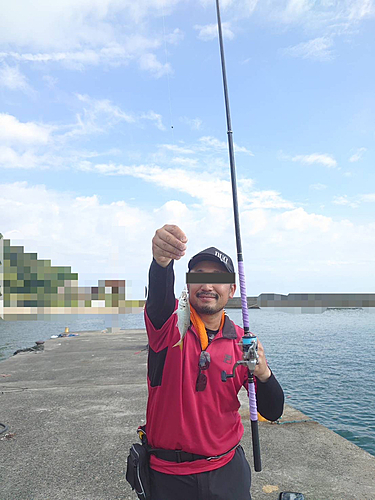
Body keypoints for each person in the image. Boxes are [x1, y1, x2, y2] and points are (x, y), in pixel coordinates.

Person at [144, 224, 284, 500]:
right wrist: (161, 263)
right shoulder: (166, 326)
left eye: (217, 278)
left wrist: (264, 373)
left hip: (227, 472)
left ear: (231, 289)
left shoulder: (242, 342)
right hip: (168, 477)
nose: (207, 285)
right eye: (198, 277)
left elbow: (274, 410)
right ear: (187, 286)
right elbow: (159, 296)